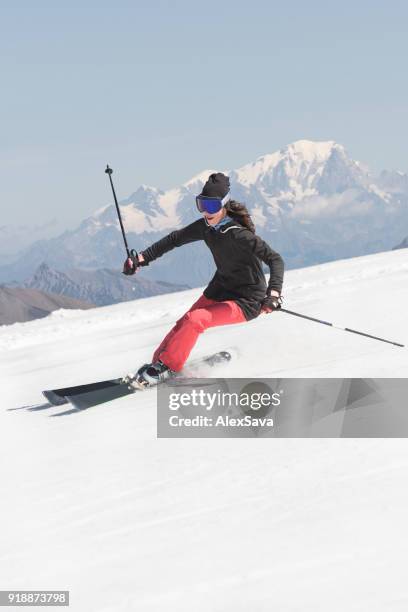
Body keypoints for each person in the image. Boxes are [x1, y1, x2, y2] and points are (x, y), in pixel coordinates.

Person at [123, 172, 284, 387]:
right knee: (185, 322)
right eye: (202, 205)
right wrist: (141, 259)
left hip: (247, 300)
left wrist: (273, 295)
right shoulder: (206, 228)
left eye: (212, 206)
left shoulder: (239, 234)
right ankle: (158, 364)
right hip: (221, 287)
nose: (206, 213)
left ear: (224, 205)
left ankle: (168, 368)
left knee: (196, 320)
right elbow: (175, 239)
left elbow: (275, 259)